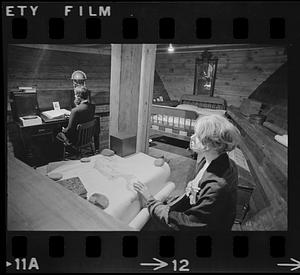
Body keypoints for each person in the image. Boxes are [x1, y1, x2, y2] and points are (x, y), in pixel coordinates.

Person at [133, 114, 241, 231]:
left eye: (198, 136)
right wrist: (194, 184)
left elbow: (187, 222)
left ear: (211, 144)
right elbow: (203, 185)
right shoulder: (211, 159)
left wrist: (150, 200)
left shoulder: (216, 185)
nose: (192, 137)